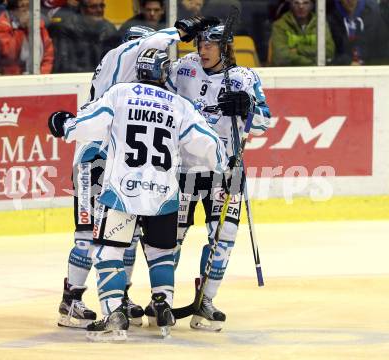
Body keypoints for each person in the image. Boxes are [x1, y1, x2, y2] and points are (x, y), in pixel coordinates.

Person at [48, 48, 228, 340]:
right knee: (161, 253)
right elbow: (207, 144)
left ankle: (114, 315)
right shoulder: (179, 105)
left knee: (110, 251)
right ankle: (163, 307)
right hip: (164, 194)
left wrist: (64, 125)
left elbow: (87, 125)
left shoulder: (120, 94)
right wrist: (224, 159)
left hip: (122, 192)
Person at [165, 24, 271, 332]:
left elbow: (264, 121)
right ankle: (163, 298)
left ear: (224, 48)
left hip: (227, 169)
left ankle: (205, 301)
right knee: (169, 239)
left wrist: (246, 107)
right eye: (200, 44)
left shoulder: (244, 78)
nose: (202, 50)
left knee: (223, 237)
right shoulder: (182, 69)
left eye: (210, 45)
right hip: (182, 168)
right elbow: (159, 101)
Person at [48, 0, 118, 73]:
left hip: (100, 78)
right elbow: (64, 64)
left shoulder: (109, 29)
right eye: (93, 7)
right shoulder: (66, 28)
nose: (99, 10)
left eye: (102, 6)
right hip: (75, 78)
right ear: (82, 9)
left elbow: (113, 62)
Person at [0, 0, 54, 75]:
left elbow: (48, 53)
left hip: (38, 77)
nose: (27, 9)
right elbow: (9, 55)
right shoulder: (0, 25)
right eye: (22, 6)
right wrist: (22, 28)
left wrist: (42, 75)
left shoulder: (37, 23)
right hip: (11, 78)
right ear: (13, 9)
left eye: (29, 5)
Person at [270, 0, 335, 66]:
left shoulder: (320, 23)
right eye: (296, 3)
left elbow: (329, 51)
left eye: (306, 3)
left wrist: (298, 50)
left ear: (312, 5)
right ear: (291, 5)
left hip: (316, 73)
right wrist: (313, 63)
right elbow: (280, 56)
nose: (301, 6)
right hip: (288, 73)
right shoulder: (280, 25)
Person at [327, 0, 389, 65]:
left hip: (374, 67)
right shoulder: (329, 11)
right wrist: (347, 62)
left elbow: (380, 49)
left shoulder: (374, 11)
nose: (350, 1)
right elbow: (329, 55)